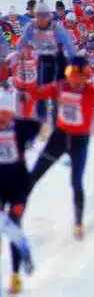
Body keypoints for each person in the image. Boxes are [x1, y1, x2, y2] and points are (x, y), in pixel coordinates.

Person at [24, 56, 94, 240]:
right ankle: (13, 210)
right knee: (35, 174)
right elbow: (36, 93)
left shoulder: (90, 92)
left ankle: (78, 224)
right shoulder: (60, 86)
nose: (73, 79)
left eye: (77, 75)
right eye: (70, 74)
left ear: (85, 76)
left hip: (79, 141)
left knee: (75, 182)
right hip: (59, 137)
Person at [0, 85, 38, 294]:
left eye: (6, 114)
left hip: (19, 186)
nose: (3, 118)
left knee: (14, 224)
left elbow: (35, 126)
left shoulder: (19, 127)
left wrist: (28, 140)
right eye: (0, 114)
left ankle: (15, 276)